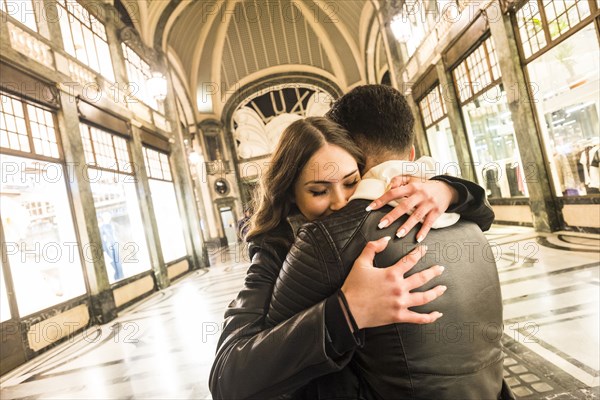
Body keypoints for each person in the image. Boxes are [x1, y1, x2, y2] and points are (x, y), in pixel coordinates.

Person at [209, 113, 495, 398]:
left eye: (350, 182)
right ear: (291, 193)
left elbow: (483, 217)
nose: (341, 202)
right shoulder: (273, 249)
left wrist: (449, 190)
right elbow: (228, 378)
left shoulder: (367, 222)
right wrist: (346, 313)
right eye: (319, 191)